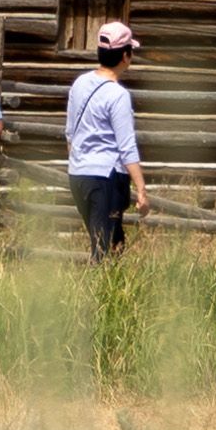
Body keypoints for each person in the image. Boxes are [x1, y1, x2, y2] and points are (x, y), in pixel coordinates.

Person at [62, 18, 146, 254]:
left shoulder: (79, 83)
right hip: (105, 176)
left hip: (79, 174)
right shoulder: (118, 95)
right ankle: (95, 290)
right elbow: (127, 146)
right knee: (103, 247)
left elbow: (70, 132)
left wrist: (79, 161)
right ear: (125, 56)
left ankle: (112, 288)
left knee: (113, 241)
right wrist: (141, 189)